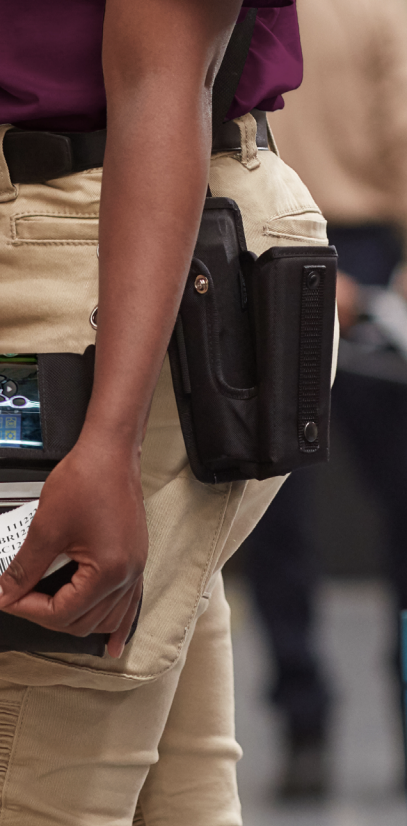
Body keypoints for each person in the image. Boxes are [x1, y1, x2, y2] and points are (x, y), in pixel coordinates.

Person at [0, 0, 318, 821]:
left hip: (97, 257)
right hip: (63, 252)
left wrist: (109, 440)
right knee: (174, 796)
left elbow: (163, 75)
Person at [239, 0, 407, 799]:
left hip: (270, 253)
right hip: (367, 263)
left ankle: (303, 726)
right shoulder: (385, 10)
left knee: (273, 519)